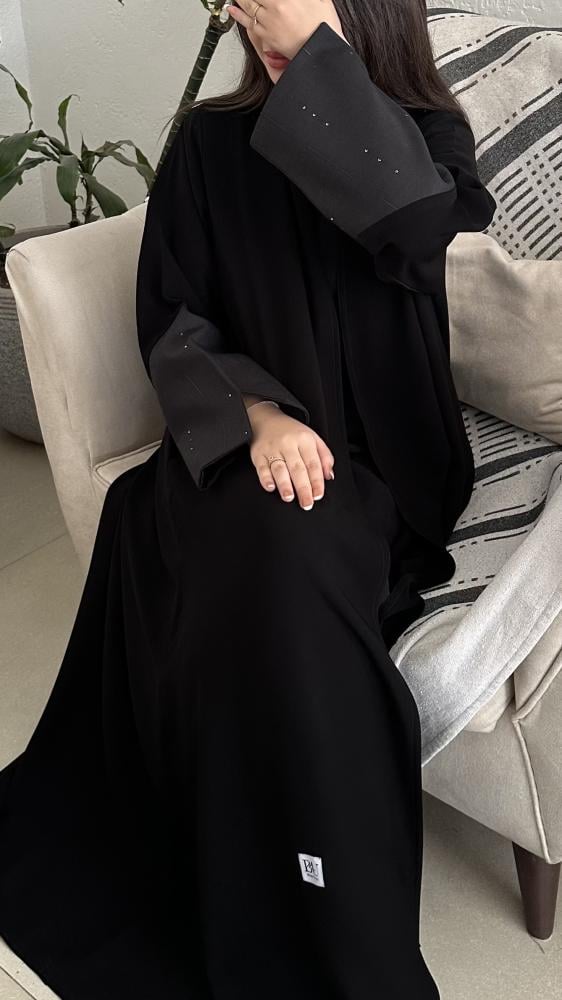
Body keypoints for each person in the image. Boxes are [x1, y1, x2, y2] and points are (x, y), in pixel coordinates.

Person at [0, 1, 497, 997]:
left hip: (376, 461)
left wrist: (314, 53)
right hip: (242, 438)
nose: (266, 23)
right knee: (222, 537)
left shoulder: (421, 140)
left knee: (288, 555)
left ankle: (334, 949)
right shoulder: (208, 145)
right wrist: (258, 414)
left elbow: (411, 228)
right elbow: (175, 319)